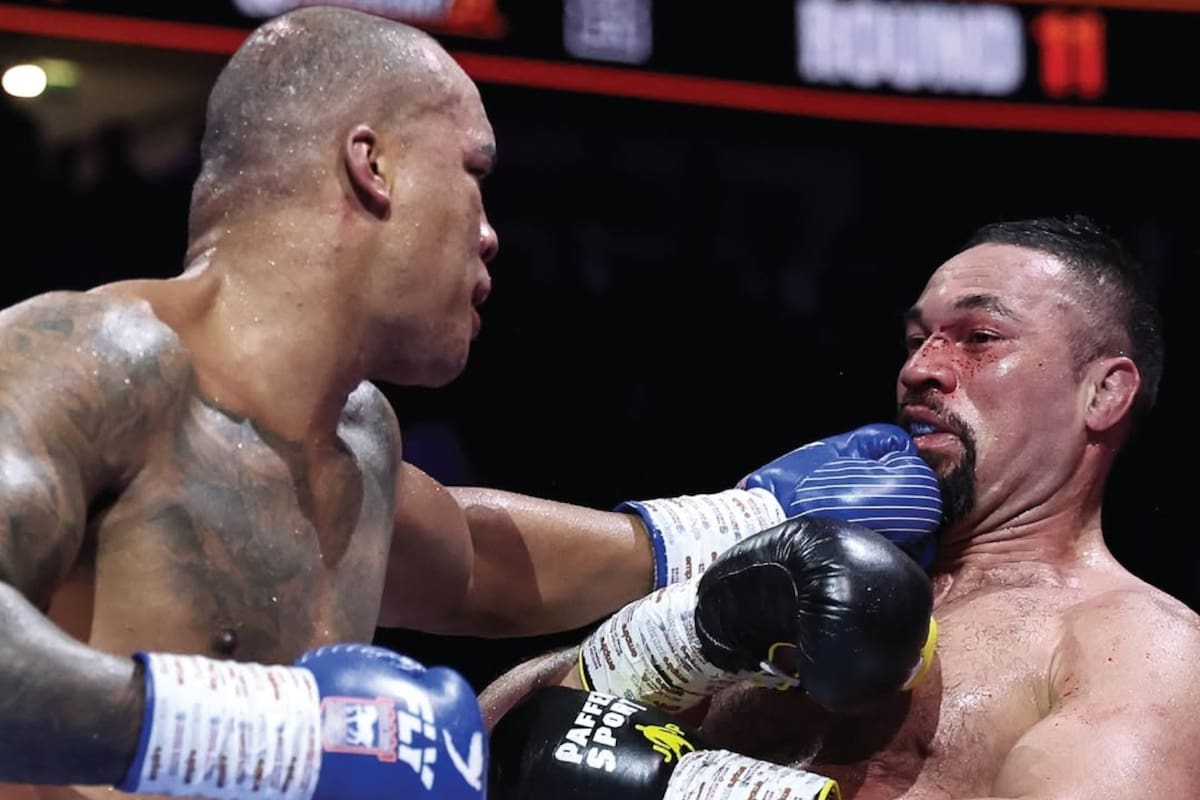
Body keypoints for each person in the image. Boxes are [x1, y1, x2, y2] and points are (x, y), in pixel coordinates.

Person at [0, 6, 944, 800]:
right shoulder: (94, 356)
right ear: (372, 166)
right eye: (474, 175)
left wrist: (750, 522)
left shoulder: (357, 442)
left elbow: (477, 566)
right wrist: (279, 737)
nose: (492, 237)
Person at [481, 214, 1200, 800]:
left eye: (979, 339)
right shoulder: (797, 572)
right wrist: (687, 625)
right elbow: (480, 748)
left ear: (1104, 393)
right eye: (918, 340)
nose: (920, 369)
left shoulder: (1140, 648)